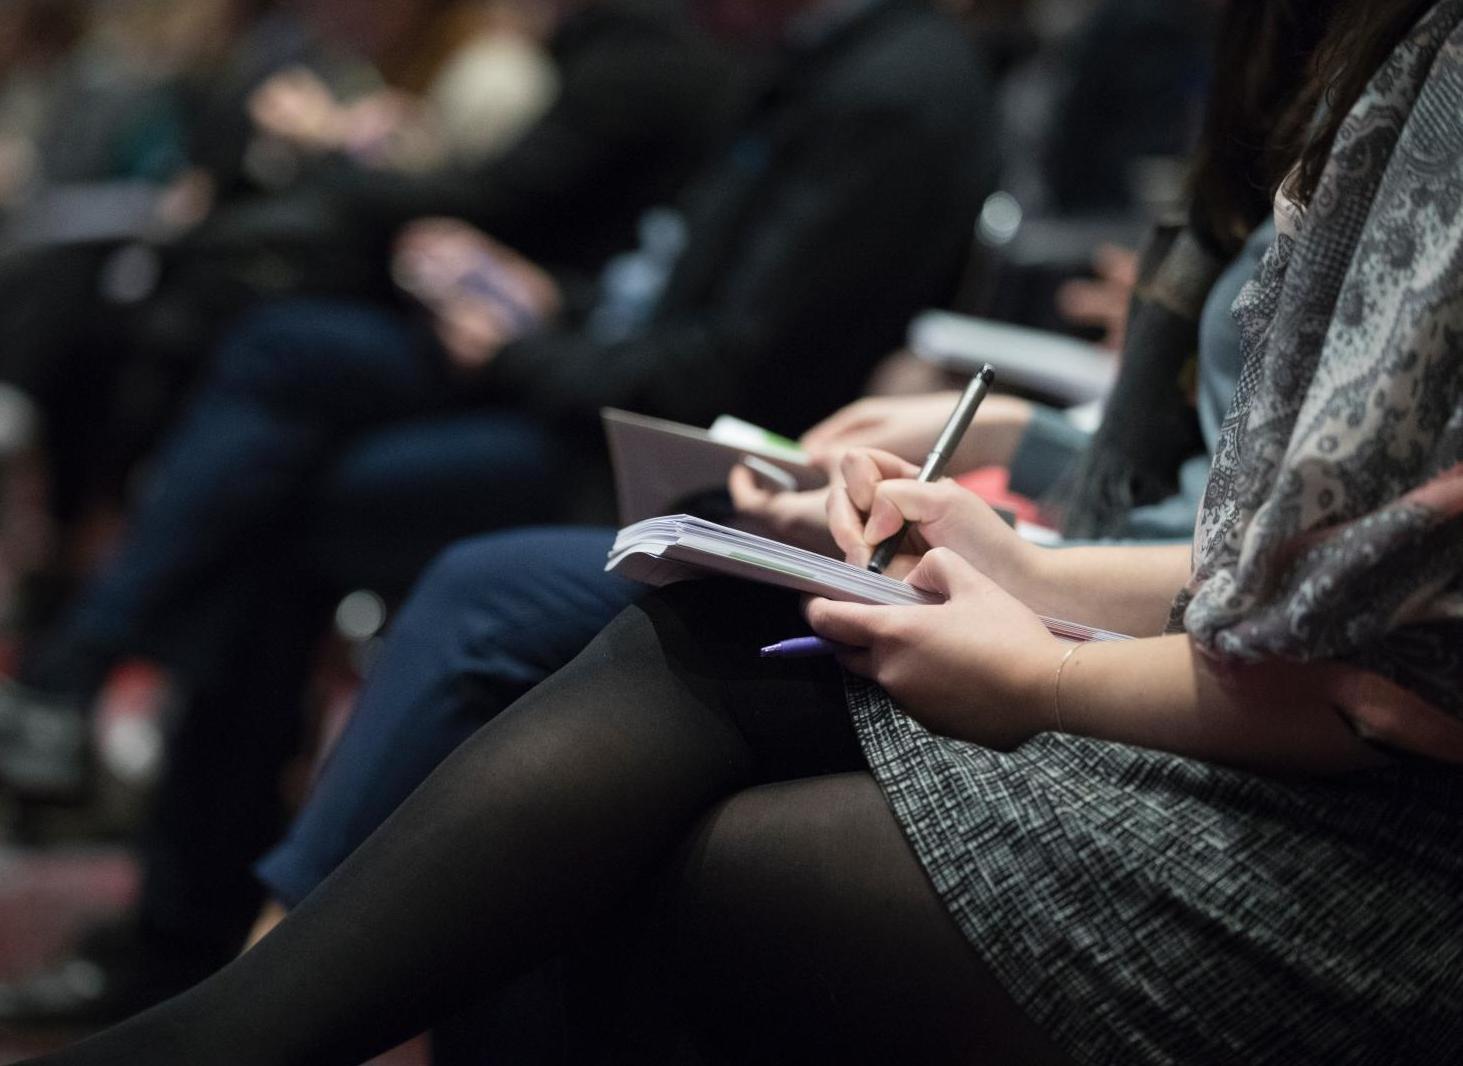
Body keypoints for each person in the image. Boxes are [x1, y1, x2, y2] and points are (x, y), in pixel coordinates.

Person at [17, 0, 1463, 1062]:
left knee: (596, 759)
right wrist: (1017, 552)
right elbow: (1268, 551)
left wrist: (1041, 650)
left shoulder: (884, 83)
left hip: (1369, 848)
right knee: (601, 581)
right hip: (1210, 658)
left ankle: (215, 993)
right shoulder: (1351, 68)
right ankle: (208, 980)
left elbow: (1361, 660)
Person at [0, 0, 995, 1026]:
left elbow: (726, 370)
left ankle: (228, 973)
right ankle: (195, 926)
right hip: (609, 391)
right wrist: (544, 304)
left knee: (311, 509)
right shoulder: (805, 59)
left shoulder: (877, 88)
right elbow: (663, 296)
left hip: (693, 468)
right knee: (280, 358)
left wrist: (522, 350)